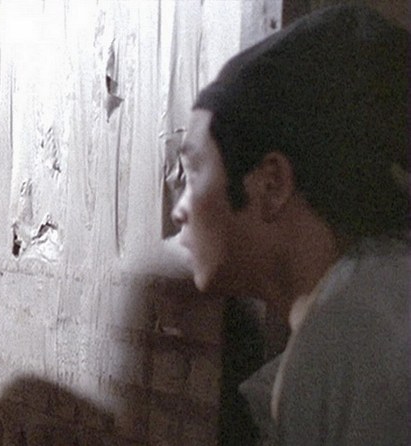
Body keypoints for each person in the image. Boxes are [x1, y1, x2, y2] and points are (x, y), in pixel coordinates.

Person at [170, 4, 408, 445]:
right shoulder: (360, 310)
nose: (178, 211)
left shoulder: (354, 338)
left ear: (272, 184)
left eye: (195, 171)